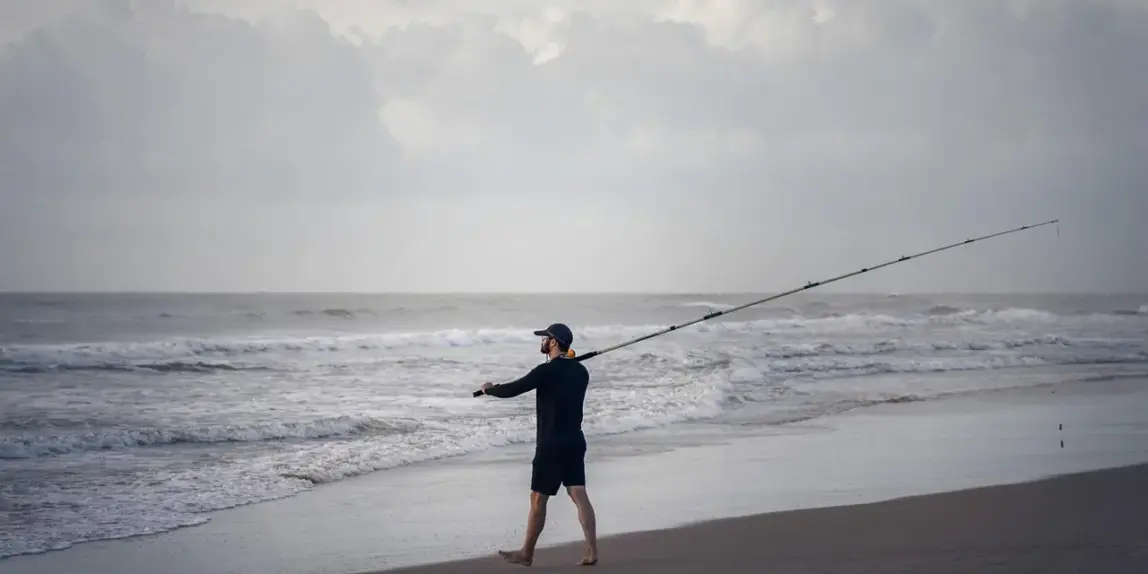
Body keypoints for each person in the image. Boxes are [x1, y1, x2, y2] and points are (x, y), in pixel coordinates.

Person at [478, 322, 599, 567]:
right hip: (575, 441)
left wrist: (490, 390)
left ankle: (526, 553)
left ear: (553, 342)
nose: (542, 342)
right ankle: (592, 550)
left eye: (545, 338)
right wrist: (568, 363)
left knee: (538, 499)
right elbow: (565, 375)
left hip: (551, 444)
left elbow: (515, 388)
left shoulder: (546, 371)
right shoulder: (581, 372)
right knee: (578, 493)